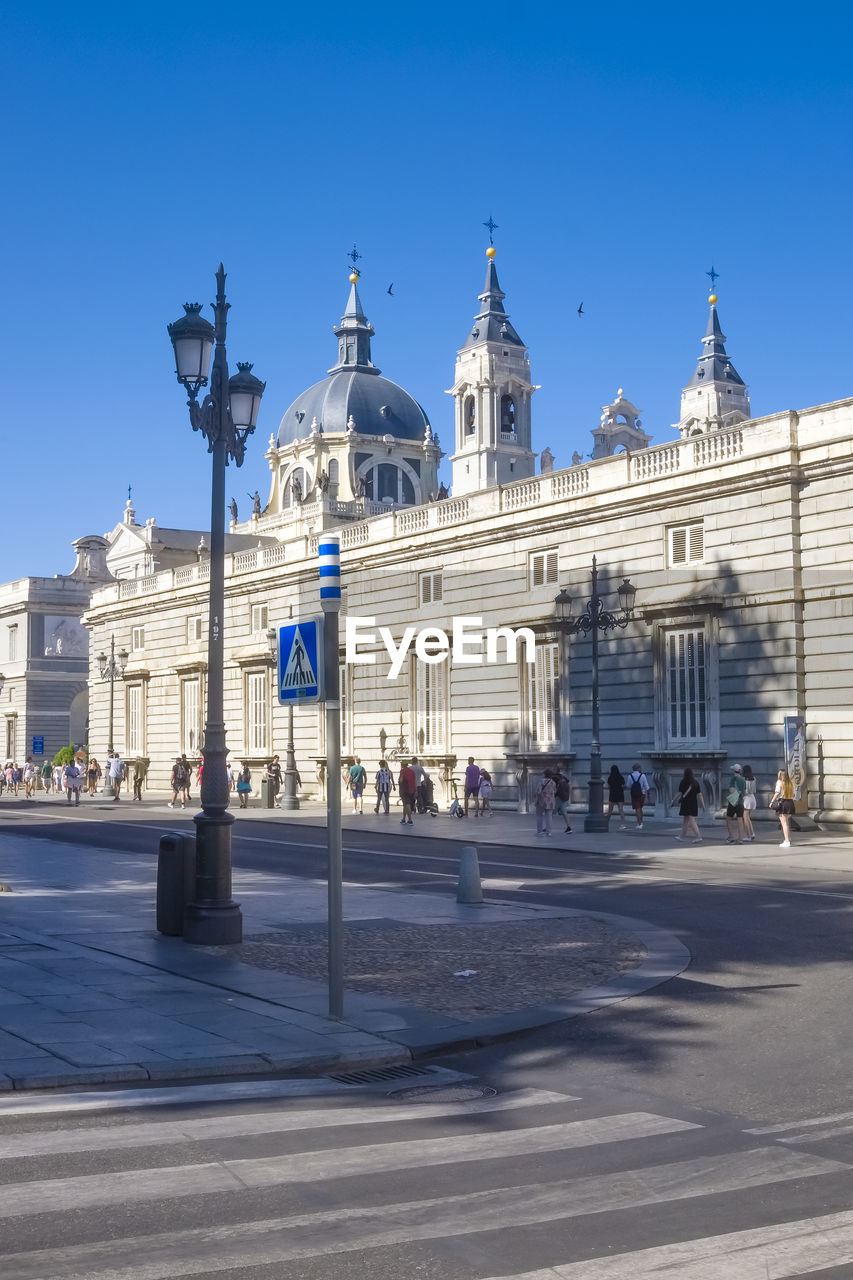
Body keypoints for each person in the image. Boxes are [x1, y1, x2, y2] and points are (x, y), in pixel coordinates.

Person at [671, 768, 705, 842]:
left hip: (686, 803)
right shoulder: (695, 782)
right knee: (685, 820)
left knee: (691, 820)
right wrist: (703, 805)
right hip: (693, 803)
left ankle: (698, 836)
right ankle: (682, 836)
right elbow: (700, 794)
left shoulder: (683, 782)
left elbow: (679, 793)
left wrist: (673, 800)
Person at [772, 769, 796, 847]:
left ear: (780, 775)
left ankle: (787, 840)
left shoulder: (779, 782)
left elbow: (777, 793)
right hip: (790, 802)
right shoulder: (790, 783)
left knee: (784, 823)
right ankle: (788, 838)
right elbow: (794, 794)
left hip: (783, 802)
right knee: (787, 823)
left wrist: (772, 801)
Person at [725, 763, 747, 843]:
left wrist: (734, 791)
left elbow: (731, 790)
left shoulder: (733, 779)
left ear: (734, 771)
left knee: (728, 819)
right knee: (740, 820)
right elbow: (745, 793)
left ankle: (731, 836)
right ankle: (740, 838)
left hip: (733, 802)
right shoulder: (743, 780)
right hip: (741, 803)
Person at [627, 763, 649, 830]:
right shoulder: (643, 776)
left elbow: (628, 786)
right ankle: (641, 822)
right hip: (642, 794)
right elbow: (646, 786)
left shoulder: (630, 776)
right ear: (638, 768)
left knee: (637, 809)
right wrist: (647, 794)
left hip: (634, 794)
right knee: (640, 808)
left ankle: (639, 823)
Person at [535, 769, 557, 836]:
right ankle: (549, 832)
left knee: (539, 815)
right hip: (550, 802)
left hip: (541, 801)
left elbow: (538, 791)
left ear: (544, 774)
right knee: (549, 816)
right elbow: (555, 791)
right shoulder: (553, 782)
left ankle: (540, 831)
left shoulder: (541, 781)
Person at [553, 767, 572, 832]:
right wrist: (568, 795)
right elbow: (569, 784)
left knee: (550, 813)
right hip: (563, 797)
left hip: (557, 797)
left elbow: (553, 788)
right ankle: (569, 827)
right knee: (564, 812)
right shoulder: (563, 777)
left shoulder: (554, 778)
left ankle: (547, 827)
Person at [742, 764, 758, 841]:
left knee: (745, 818)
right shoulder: (754, 778)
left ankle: (748, 835)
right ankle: (752, 833)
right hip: (752, 798)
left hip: (746, 799)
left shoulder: (744, 780)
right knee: (748, 818)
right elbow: (754, 790)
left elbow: (745, 792)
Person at [398, 760, 416, 825]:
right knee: (405, 805)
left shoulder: (402, 771)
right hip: (412, 790)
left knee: (407, 804)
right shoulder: (412, 772)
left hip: (405, 790)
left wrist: (399, 783)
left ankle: (410, 820)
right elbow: (414, 781)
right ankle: (403, 819)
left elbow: (401, 780)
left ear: (403, 765)